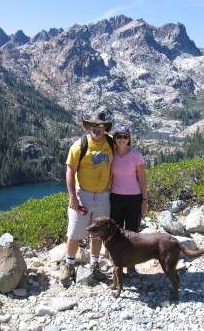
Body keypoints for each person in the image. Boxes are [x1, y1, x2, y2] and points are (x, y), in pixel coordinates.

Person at [60, 111, 114, 284]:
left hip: (104, 195)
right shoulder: (79, 145)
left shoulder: (111, 142)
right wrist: (72, 197)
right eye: (93, 125)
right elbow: (70, 171)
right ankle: (69, 265)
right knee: (75, 232)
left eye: (100, 126)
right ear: (88, 127)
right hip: (82, 194)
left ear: (105, 127)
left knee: (98, 233)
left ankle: (95, 264)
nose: (96, 129)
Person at [110, 125, 148, 277]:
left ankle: (131, 266)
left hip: (134, 198)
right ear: (114, 139)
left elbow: (143, 180)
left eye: (125, 136)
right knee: (115, 233)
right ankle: (117, 265)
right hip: (115, 198)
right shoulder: (111, 155)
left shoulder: (136, 155)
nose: (122, 139)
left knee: (132, 232)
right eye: (119, 136)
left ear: (129, 139)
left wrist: (144, 200)